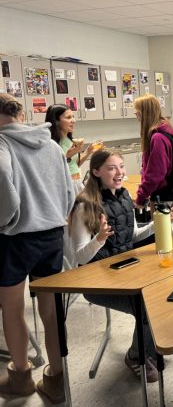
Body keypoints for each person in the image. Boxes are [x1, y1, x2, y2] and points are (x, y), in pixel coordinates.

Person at [66, 150, 173, 382]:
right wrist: (99, 239)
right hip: (97, 283)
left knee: (162, 296)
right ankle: (136, 355)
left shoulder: (123, 196)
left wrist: (159, 223)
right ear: (96, 172)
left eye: (121, 166)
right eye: (112, 168)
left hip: (125, 271)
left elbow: (133, 236)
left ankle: (147, 348)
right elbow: (80, 257)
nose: (120, 172)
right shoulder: (84, 206)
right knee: (147, 308)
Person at [0, 94, 74, 403]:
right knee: (51, 308)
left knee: (13, 309)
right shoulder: (52, 144)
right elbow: (69, 189)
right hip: (52, 234)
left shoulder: (2, 144)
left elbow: (4, 178)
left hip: (16, 238)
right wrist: (56, 215)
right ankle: (56, 378)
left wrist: (6, 220)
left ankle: (21, 376)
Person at [133, 94, 173, 209]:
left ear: (144, 113)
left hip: (163, 193)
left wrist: (141, 196)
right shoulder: (159, 134)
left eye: (137, 111)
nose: (135, 114)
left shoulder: (157, 138)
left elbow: (156, 172)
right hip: (160, 191)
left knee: (161, 227)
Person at [45, 104, 99, 192]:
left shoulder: (70, 141)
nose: (73, 120)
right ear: (56, 121)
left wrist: (88, 151)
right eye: (68, 117)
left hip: (76, 183)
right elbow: (52, 170)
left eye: (73, 117)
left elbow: (74, 164)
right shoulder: (50, 144)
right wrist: (67, 156)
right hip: (63, 186)